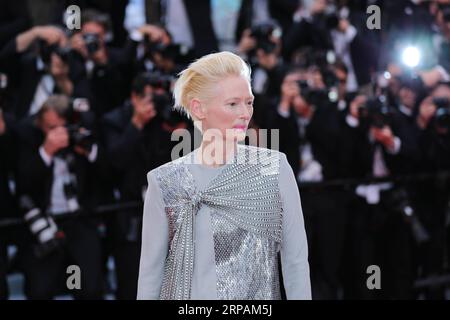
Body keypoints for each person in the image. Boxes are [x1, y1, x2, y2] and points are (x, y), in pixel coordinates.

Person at [137, 51, 311, 300]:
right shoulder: (165, 181)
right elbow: (150, 276)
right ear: (199, 108)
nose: (244, 113)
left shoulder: (274, 169)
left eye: (248, 102)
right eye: (232, 103)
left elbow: (295, 261)